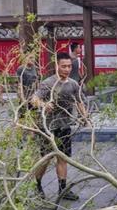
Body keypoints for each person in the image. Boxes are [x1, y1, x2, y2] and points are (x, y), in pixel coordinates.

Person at [31, 52, 87, 201]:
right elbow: (34, 99)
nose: (67, 69)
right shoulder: (48, 83)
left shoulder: (73, 84)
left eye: (69, 66)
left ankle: (62, 190)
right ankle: (37, 185)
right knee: (45, 159)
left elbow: (79, 101)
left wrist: (84, 116)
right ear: (57, 66)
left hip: (64, 127)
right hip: (48, 128)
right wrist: (43, 104)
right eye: (63, 66)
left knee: (62, 158)